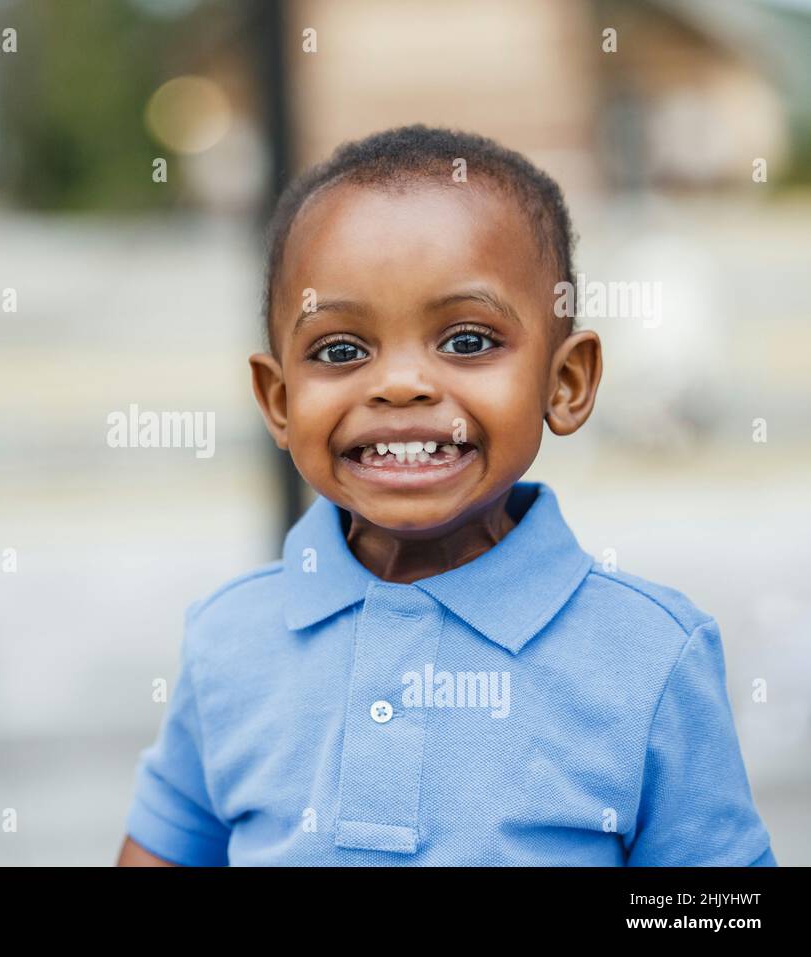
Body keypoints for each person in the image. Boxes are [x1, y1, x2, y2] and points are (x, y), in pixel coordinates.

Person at [116, 125, 776, 866]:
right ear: (278, 400)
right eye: (341, 350)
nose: (401, 384)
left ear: (566, 383)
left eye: (467, 341)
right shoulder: (228, 639)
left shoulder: (650, 656)